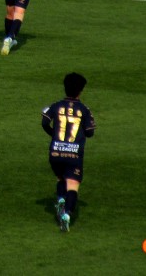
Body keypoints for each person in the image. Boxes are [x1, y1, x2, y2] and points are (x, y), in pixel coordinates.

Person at [41, 72, 96, 233]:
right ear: (81, 90)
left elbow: (44, 121)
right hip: (74, 154)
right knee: (72, 184)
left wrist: (54, 134)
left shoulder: (56, 105)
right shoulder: (84, 109)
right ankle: (67, 215)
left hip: (55, 152)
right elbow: (90, 132)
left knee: (60, 177)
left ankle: (60, 198)